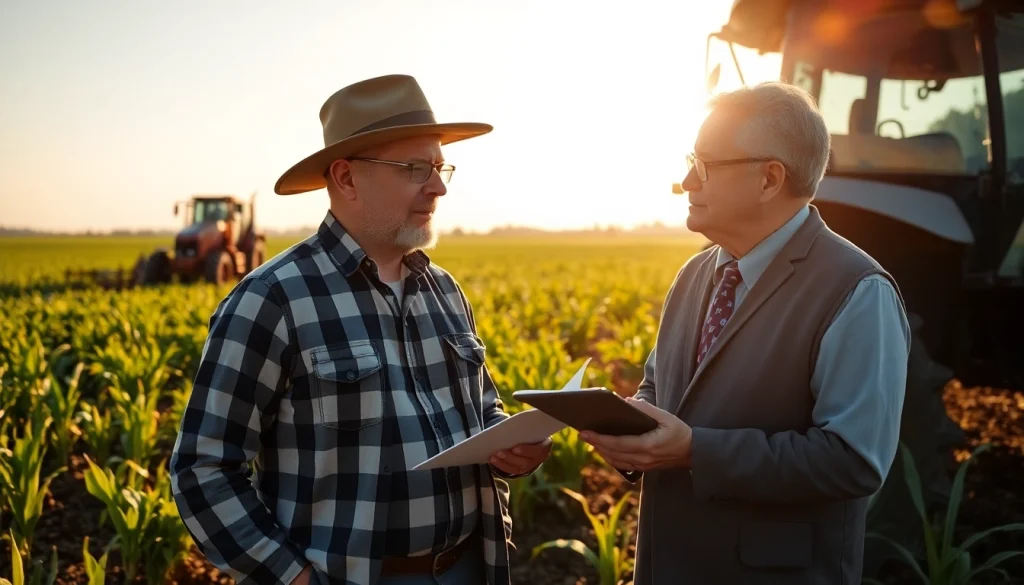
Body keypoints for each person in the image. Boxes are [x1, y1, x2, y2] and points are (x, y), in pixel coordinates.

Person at [169, 74, 551, 585]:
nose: (437, 186)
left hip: (469, 568)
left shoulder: (444, 290)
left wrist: (514, 449)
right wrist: (293, 579)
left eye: (440, 168)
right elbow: (202, 469)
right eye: (416, 168)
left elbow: (483, 414)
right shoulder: (273, 298)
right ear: (346, 178)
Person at [581, 82, 910, 584]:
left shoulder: (857, 291)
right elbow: (661, 391)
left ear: (769, 179)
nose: (687, 180)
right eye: (690, 159)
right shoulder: (694, 275)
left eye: (706, 165)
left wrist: (695, 450)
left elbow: (853, 461)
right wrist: (630, 431)